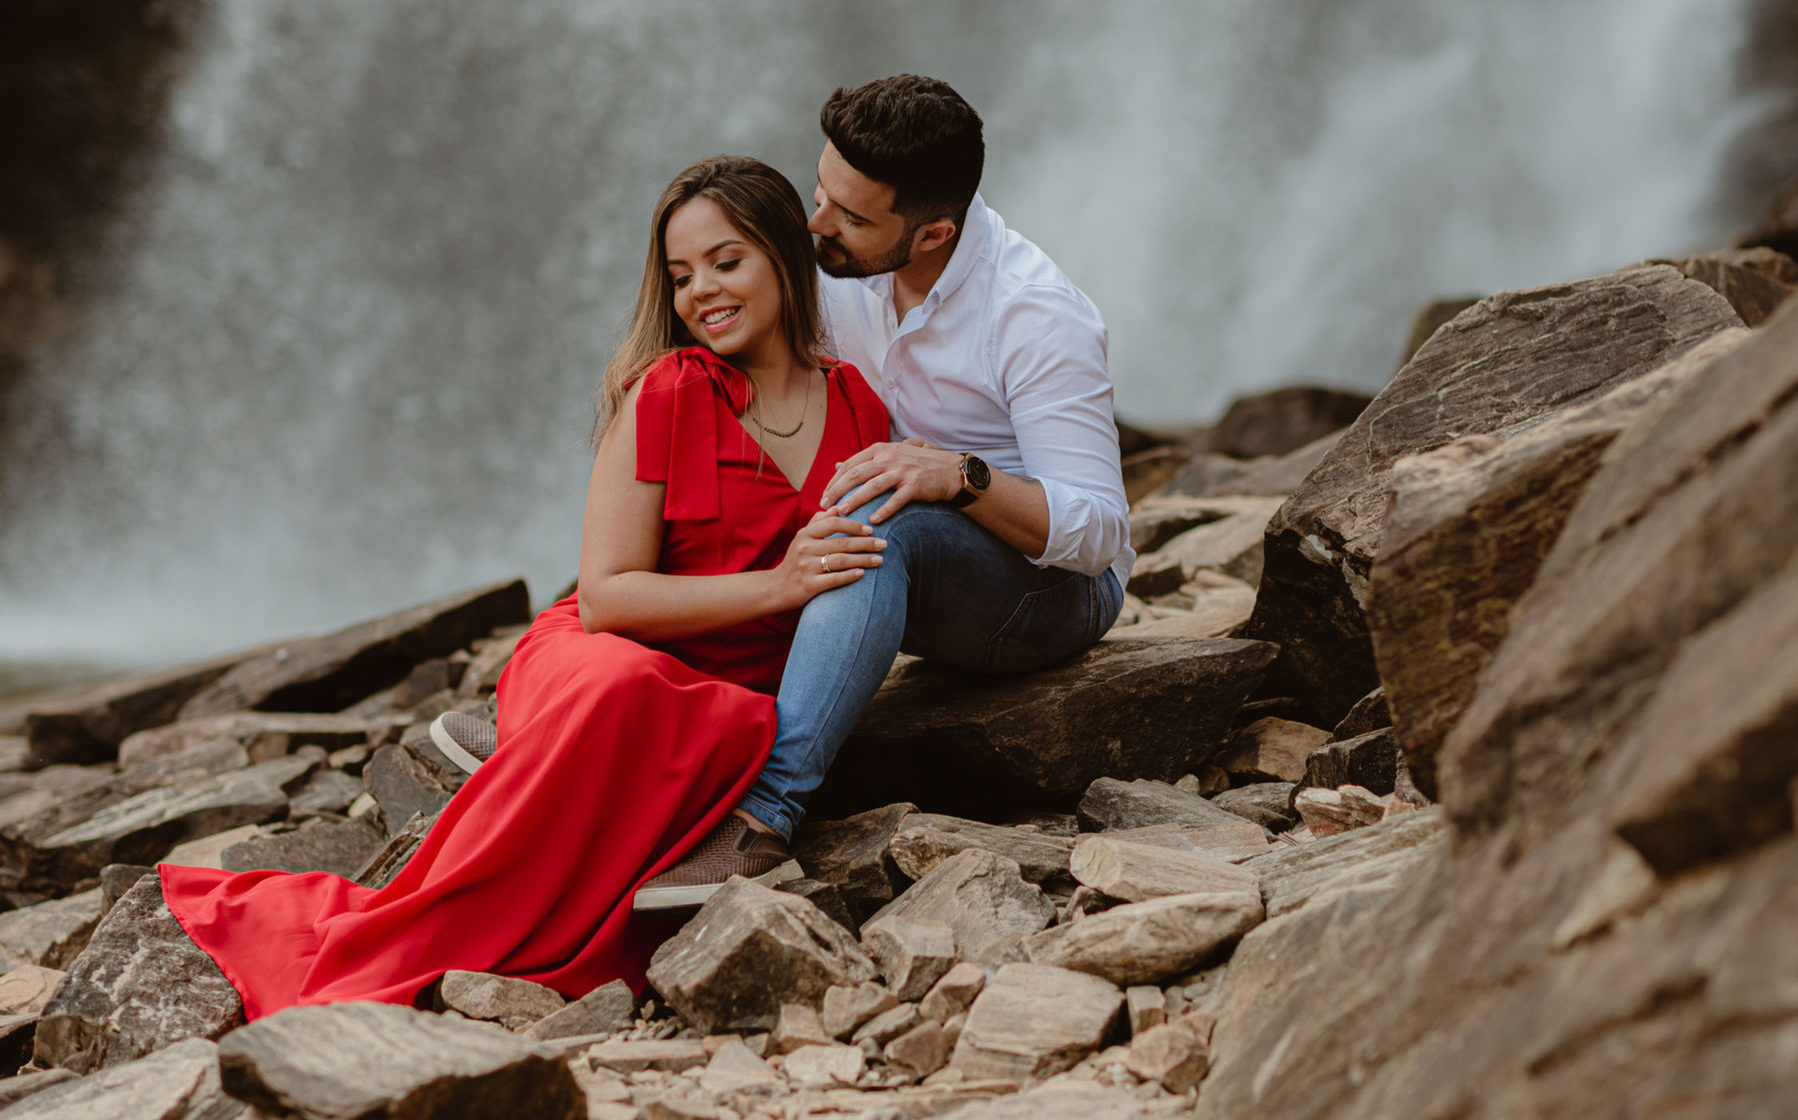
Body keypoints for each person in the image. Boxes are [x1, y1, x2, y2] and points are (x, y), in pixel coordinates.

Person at [158, 156, 890, 1015]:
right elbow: (608, 598)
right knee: (625, 687)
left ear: (786, 257)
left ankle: (532, 756)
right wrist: (779, 586)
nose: (702, 292)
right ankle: (519, 770)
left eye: (726, 262)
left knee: (717, 718)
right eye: (681, 275)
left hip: (731, 691)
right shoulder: (666, 390)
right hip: (612, 651)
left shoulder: (860, 408)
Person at [631, 75, 1134, 906]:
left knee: (872, 516)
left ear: (934, 231)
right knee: (780, 483)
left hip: (1046, 591)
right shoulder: (836, 264)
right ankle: (591, 707)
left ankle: (764, 817)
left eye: (851, 217)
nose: (817, 225)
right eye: (821, 192)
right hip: (888, 550)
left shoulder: (1036, 313)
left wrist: (960, 476)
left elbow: (1100, 534)